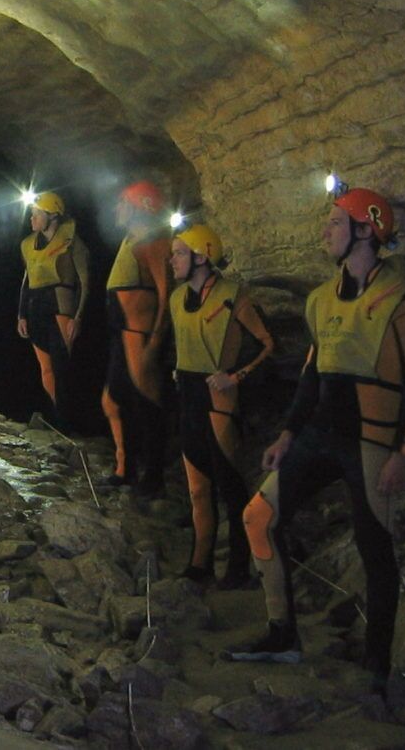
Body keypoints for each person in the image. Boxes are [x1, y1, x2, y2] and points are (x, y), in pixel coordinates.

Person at [227, 186, 405, 692]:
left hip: (371, 441)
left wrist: (403, 453)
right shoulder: (320, 301)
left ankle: (376, 666)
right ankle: (282, 635)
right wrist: (289, 434)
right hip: (321, 434)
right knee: (258, 517)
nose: (325, 232)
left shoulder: (402, 304)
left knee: (374, 548)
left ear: (366, 230)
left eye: (335, 223)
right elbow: (311, 376)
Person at [168, 221, 275, 588]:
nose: (173, 260)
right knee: (198, 488)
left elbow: (267, 344)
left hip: (218, 398)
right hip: (188, 396)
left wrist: (236, 376)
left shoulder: (233, 296)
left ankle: (239, 567)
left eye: (179, 253)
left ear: (202, 256)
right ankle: (200, 564)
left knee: (229, 485)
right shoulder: (175, 299)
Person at [102, 180, 173, 495]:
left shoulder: (156, 243)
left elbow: (165, 293)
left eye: (122, 203)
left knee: (148, 404)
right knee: (112, 401)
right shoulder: (131, 240)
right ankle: (125, 467)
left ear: (137, 206)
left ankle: (153, 476)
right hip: (124, 334)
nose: (117, 209)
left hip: (139, 335)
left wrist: (155, 342)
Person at [16, 191, 90, 421]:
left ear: (52, 216)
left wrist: (78, 317)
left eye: (37, 214)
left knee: (62, 368)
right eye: (32, 214)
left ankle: (67, 420)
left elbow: (85, 281)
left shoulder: (72, 242)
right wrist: (21, 315)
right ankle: (53, 417)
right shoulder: (28, 245)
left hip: (60, 306)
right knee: (45, 368)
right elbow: (26, 280)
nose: (32, 219)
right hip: (35, 307)